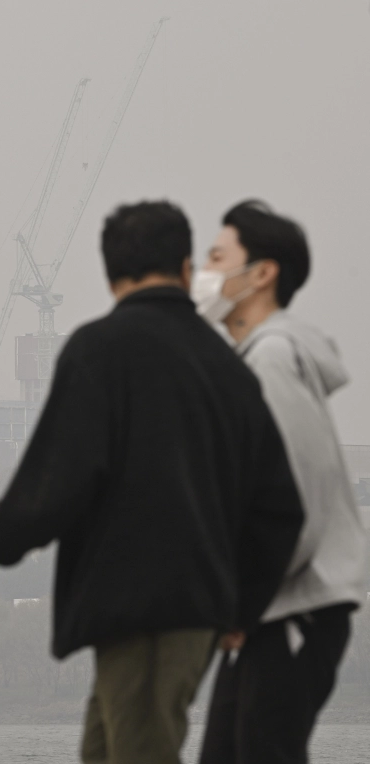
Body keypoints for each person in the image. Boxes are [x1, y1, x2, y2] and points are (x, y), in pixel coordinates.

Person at [0, 200, 305, 764]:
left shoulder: (101, 350)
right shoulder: (226, 366)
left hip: (138, 609)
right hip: (194, 609)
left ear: (110, 273)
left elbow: (51, 486)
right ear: (186, 270)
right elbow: (280, 508)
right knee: (107, 751)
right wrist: (241, 604)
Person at [195, 200, 368, 764]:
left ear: (262, 273)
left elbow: (297, 497)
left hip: (296, 607)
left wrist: (242, 605)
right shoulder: (257, 361)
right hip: (272, 608)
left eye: (218, 257)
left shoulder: (272, 360)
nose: (204, 272)